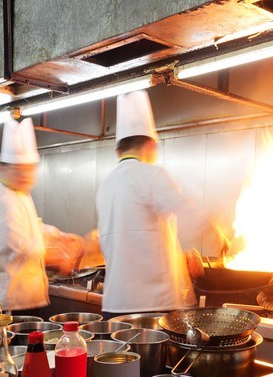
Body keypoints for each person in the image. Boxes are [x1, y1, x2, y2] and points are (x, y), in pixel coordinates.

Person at [96, 90, 227, 316]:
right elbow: (188, 215)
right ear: (151, 145)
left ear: (118, 150)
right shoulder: (151, 175)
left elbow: (136, 240)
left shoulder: (106, 185)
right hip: (151, 306)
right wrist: (217, 235)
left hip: (115, 304)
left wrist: (178, 256)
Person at [0, 118, 82, 314]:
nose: (25, 176)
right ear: (3, 169)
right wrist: (60, 257)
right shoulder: (4, 200)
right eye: (19, 170)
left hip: (25, 298)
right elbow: (20, 249)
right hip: (9, 303)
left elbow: (34, 227)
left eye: (30, 169)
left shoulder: (20, 195)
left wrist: (60, 236)